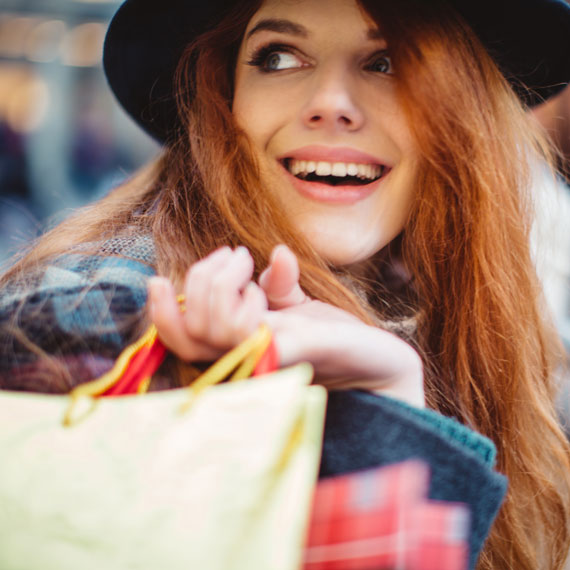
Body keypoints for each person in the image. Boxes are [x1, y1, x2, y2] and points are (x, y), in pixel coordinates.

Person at [1, 0, 570, 568]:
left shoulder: (459, 314)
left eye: (388, 62)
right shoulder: (96, 322)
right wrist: (388, 427)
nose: (330, 104)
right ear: (224, 98)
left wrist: (391, 389)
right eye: (277, 57)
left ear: (462, 114)